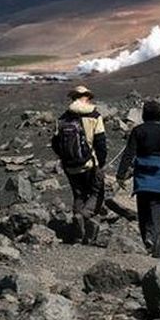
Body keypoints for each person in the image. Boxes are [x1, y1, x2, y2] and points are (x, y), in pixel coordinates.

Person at [117, 100, 160, 250]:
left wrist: (121, 174)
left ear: (144, 115)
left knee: (143, 210)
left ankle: (147, 237)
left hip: (143, 177)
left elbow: (129, 153)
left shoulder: (138, 131)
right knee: (157, 211)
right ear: (159, 115)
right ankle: (155, 240)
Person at [51, 85, 107, 245]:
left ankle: (77, 235)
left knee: (79, 194)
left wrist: (65, 158)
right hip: (90, 163)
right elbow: (101, 142)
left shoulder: (63, 118)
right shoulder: (95, 116)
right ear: (86, 97)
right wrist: (101, 163)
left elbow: (55, 143)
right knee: (97, 193)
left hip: (70, 166)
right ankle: (83, 216)